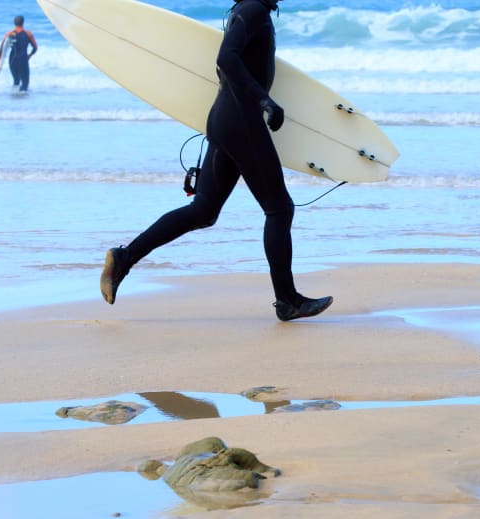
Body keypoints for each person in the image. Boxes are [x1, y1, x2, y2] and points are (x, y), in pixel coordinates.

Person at [99, 0, 332, 322]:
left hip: (225, 117)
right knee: (279, 208)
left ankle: (124, 258)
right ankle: (288, 300)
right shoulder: (253, 11)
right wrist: (263, 99)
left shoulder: (243, 11)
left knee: (204, 211)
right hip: (242, 119)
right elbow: (225, 57)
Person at [0, 15, 38, 92]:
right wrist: (30, 55)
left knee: (16, 80)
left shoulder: (9, 34)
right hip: (23, 59)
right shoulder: (28, 34)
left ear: (14, 23)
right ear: (23, 23)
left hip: (12, 59)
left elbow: (2, 48)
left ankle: (14, 99)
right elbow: (35, 48)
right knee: (25, 83)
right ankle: (22, 100)